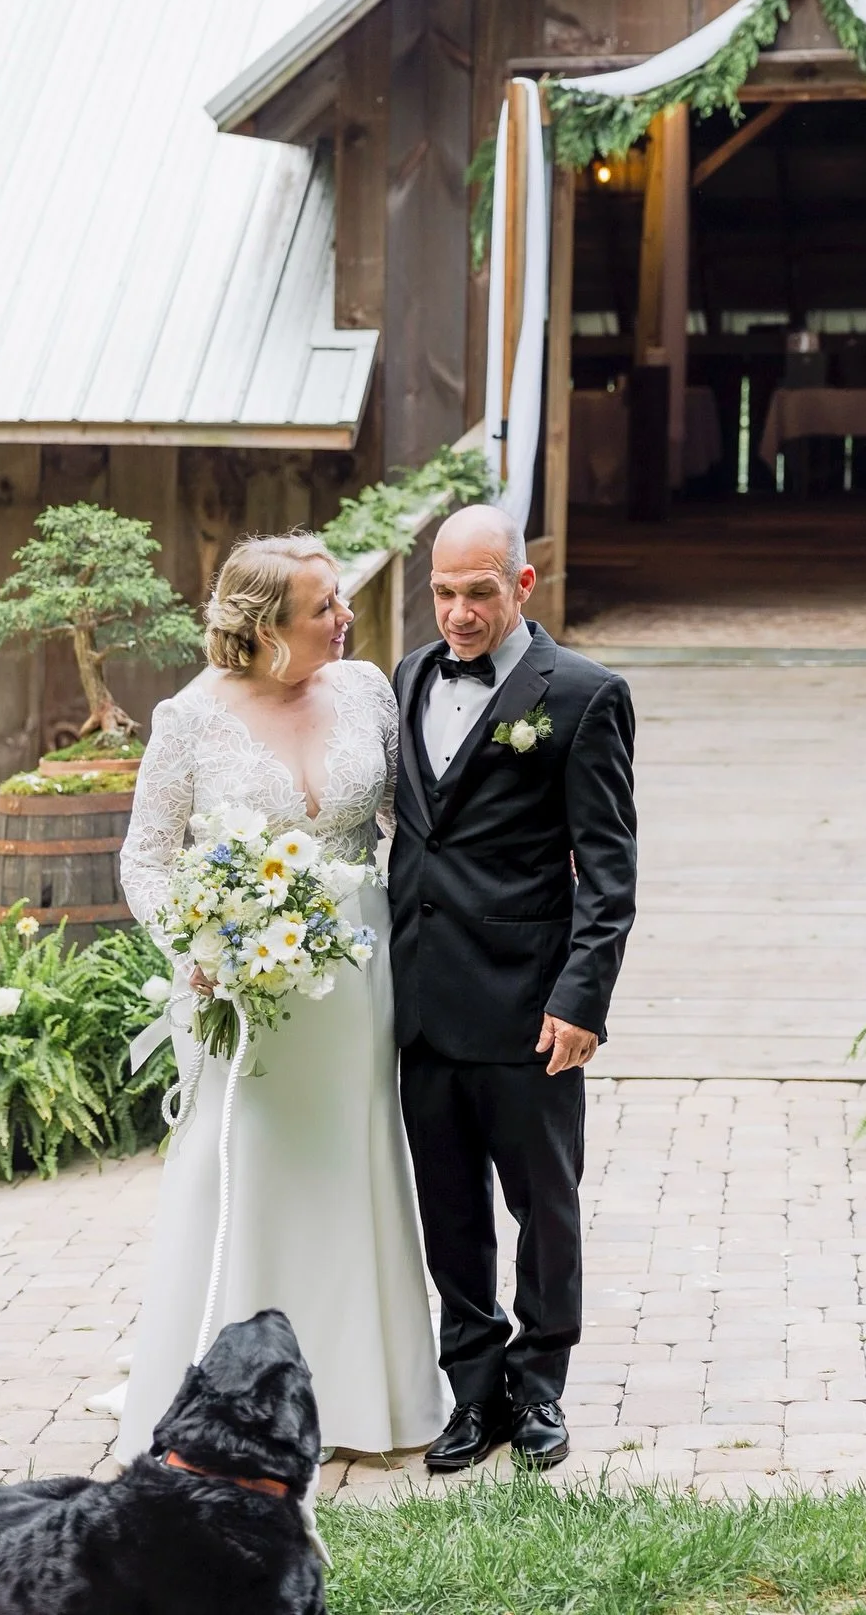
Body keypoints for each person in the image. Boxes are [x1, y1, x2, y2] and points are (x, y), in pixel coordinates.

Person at [110, 535, 446, 1462]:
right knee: (250, 1162)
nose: (345, 617)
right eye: (324, 607)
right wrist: (197, 946)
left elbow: (403, 826)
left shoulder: (367, 689)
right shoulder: (188, 719)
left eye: (338, 600)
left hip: (357, 975)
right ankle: (234, 1399)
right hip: (246, 988)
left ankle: (364, 1393)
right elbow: (144, 856)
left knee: (355, 1157)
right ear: (265, 628)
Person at [389, 506, 638, 1472]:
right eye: (444, 593)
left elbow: (609, 869)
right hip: (421, 1004)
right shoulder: (409, 675)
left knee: (544, 1203)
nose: (457, 613)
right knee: (447, 1207)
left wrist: (582, 998)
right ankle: (473, 1387)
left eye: (478, 592)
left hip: (529, 1005)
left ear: (522, 586)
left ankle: (540, 1389)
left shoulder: (581, 694)